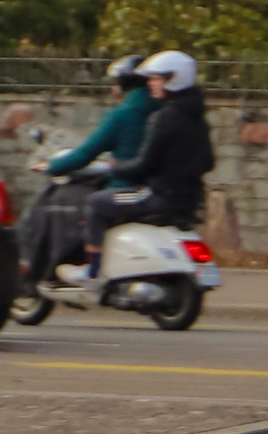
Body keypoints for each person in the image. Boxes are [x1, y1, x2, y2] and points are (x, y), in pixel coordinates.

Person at [59, 50, 212, 282]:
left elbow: (143, 166)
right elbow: (209, 161)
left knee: (95, 203)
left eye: (156, 78)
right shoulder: (197, 119)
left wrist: (115, 167)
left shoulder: (163, 118)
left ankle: (92, 271)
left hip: (159, 196)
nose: (150, 83)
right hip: (189, 199)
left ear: (172, 79)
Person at [22, 55, 150, 280]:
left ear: (123, 84)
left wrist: (52, 166)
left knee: (83, 203)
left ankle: (90, 268)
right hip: (153, 184)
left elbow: (87, 152)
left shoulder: (123, 114)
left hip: (126, 184)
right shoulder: (163, 110)